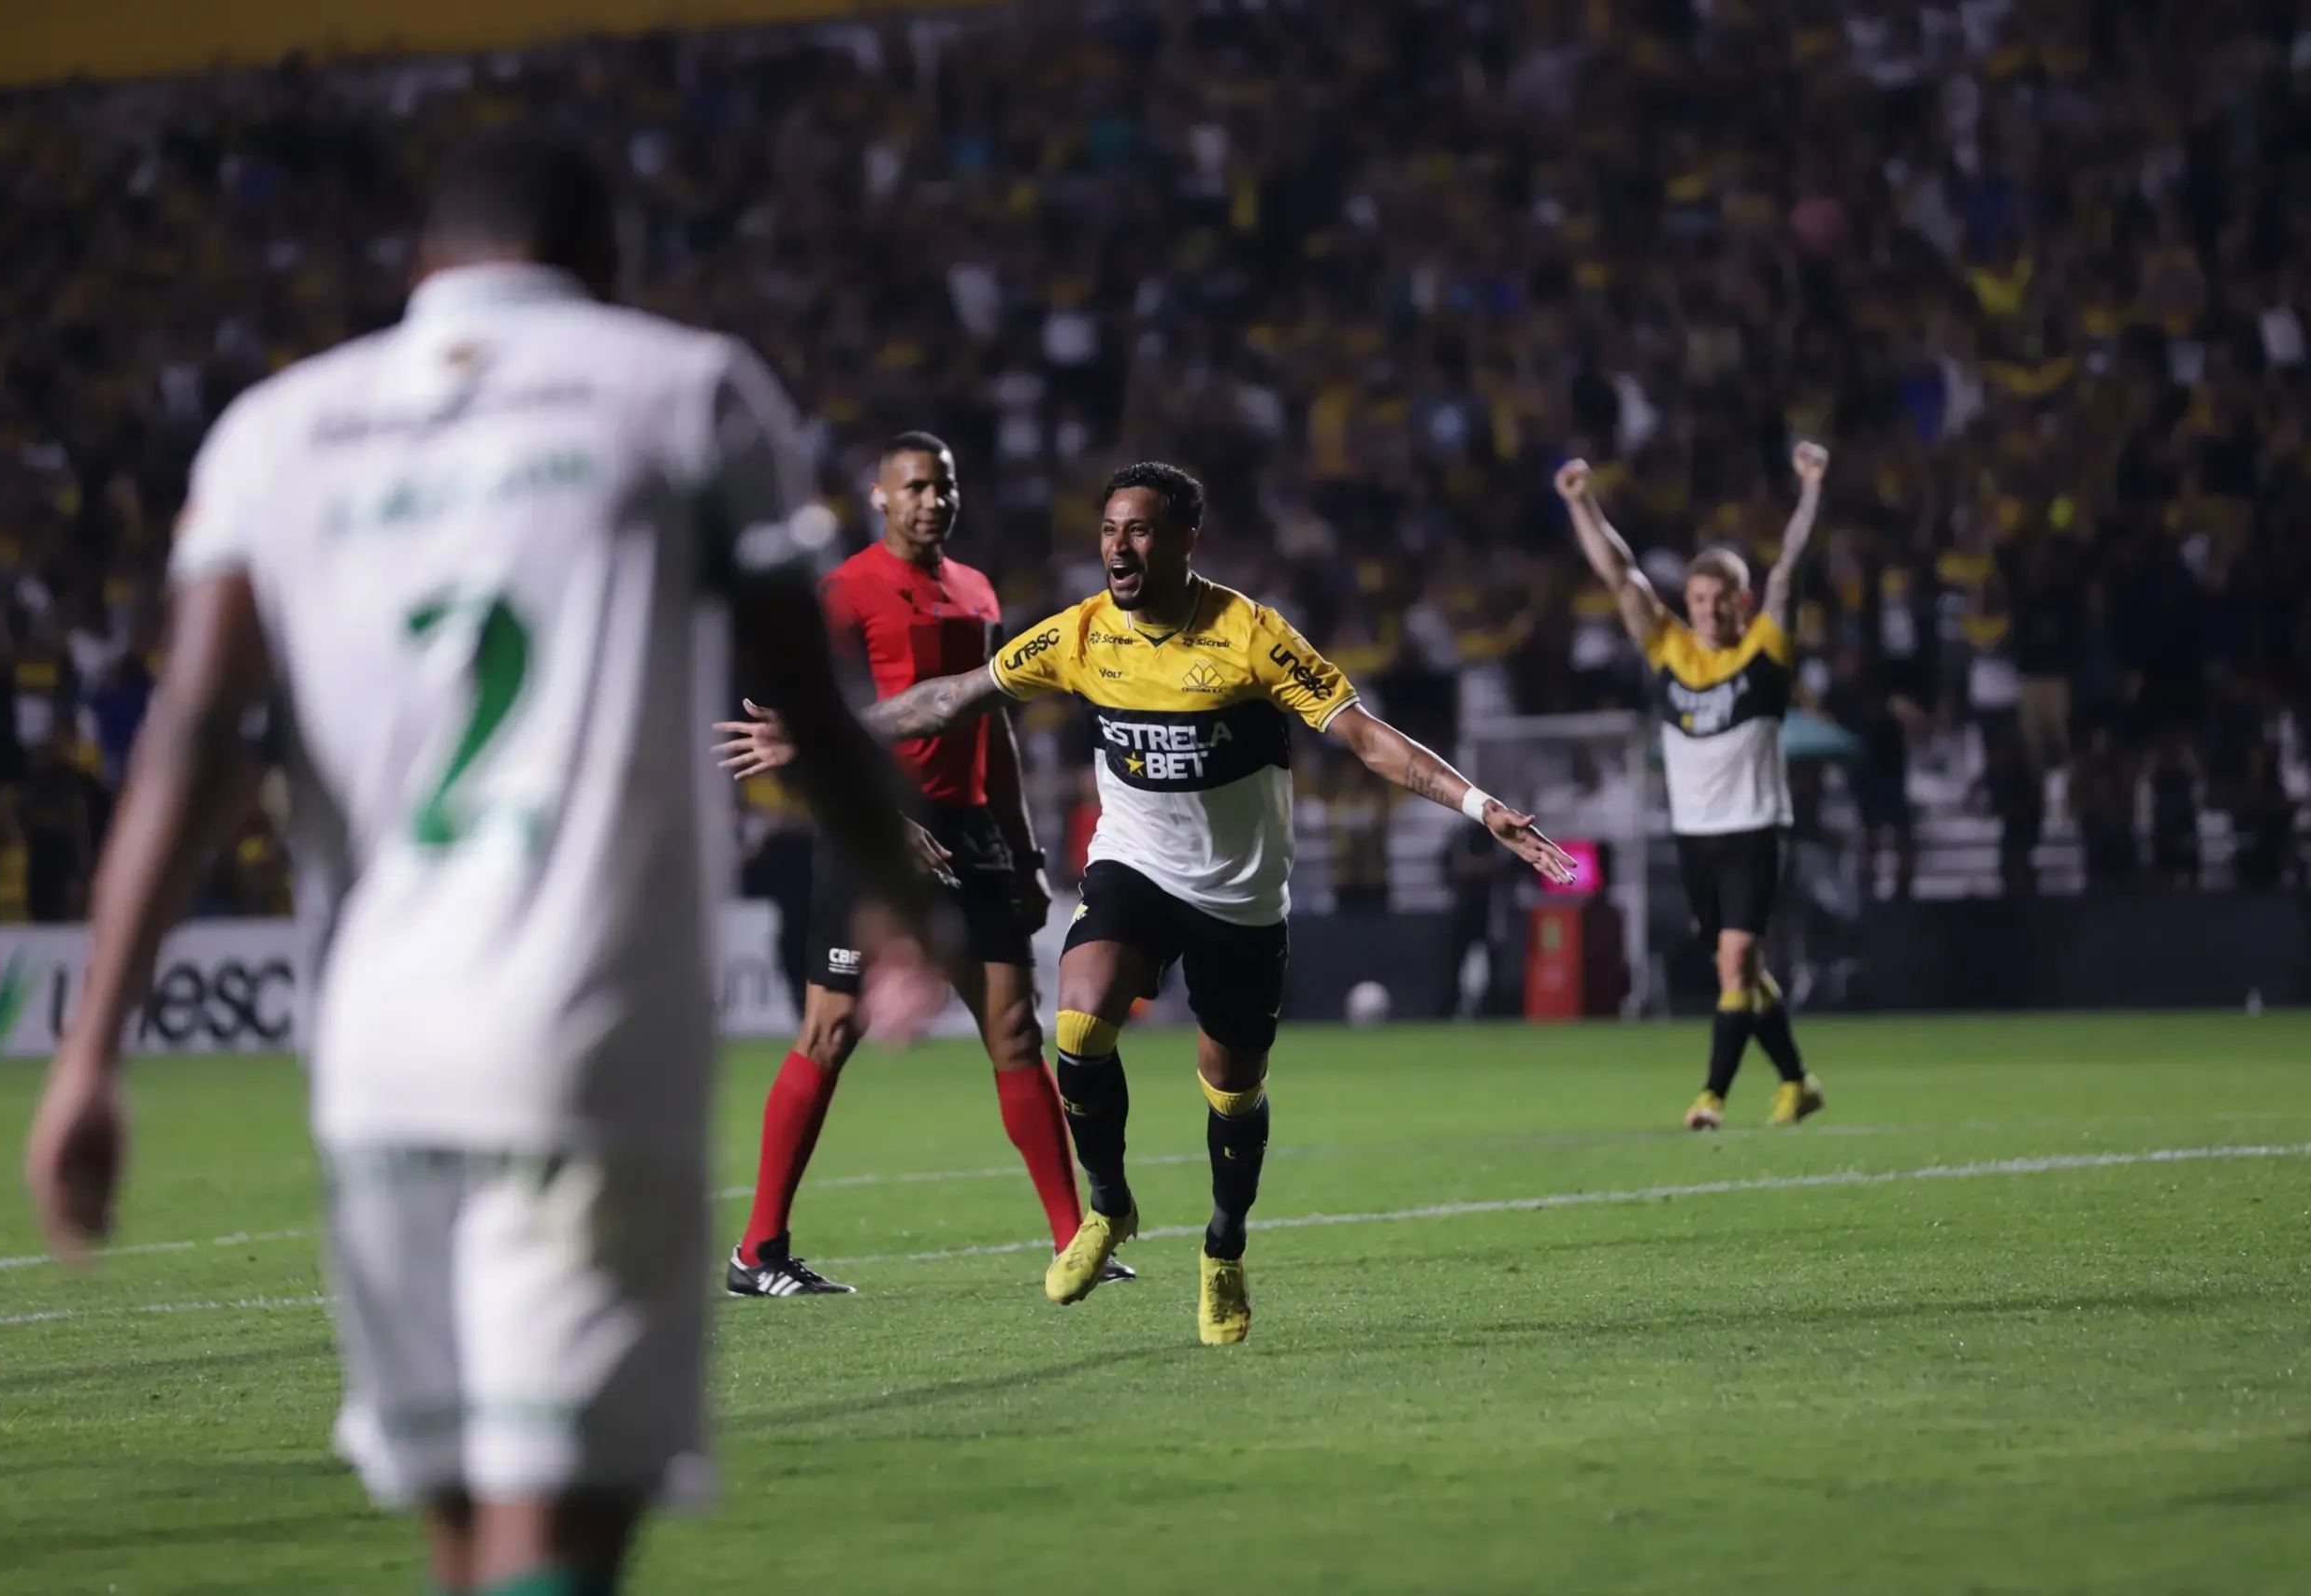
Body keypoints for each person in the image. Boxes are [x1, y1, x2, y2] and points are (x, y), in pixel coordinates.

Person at [21, 127, 943, 1596]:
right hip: (583, 1028)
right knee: (562, 1537)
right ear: (606, 263)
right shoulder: (684, 389)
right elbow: (810, 706)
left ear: (421, 265)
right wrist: (898, 898)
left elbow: (192, 739)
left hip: (373, 1054)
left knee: (464, 1538)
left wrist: (88, 1053)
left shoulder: (276, 431)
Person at [718, 461, 1576, 1344]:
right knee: (1078, 1019)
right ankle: (1109, 1205)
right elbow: (952, 698)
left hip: (1237, 893)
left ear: (1184, 540)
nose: (1118, 548)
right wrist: (820, 732)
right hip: (1135, 865)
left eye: (1138, 531)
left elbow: (1363, 736)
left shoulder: (1251, 635)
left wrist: (1480, 806)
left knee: (1232, 1090)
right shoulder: (1083, 632)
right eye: (1108, 530)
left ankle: (1223, 1248)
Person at [725, 432, 1131, 1298]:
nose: (930, 500)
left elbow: (994, 722)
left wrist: (1024, 850)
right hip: (871, 828)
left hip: (973, 830)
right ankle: (758, 1250)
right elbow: (818, 722)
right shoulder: (846, 590)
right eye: (913, 487)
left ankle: (1075, 1241)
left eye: (942, 486)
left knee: (1015, 1031)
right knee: (831, 1029)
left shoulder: (977, 589)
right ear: (880, 496)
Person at [1555, 443, 1829, 1131]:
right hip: (1694, 836)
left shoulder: (1764, 649)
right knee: (1741, 971)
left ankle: (1712, 1096)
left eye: (1718, 598)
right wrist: (1582, 502)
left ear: (1741, 601)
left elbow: (1790, 568)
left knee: (1735, 964)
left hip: (1753, 828)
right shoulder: (1670, 650)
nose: (1705, 609)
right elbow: (1620, 574)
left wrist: (1811, 490)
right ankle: (1798, 1081)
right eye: (1697, 598)